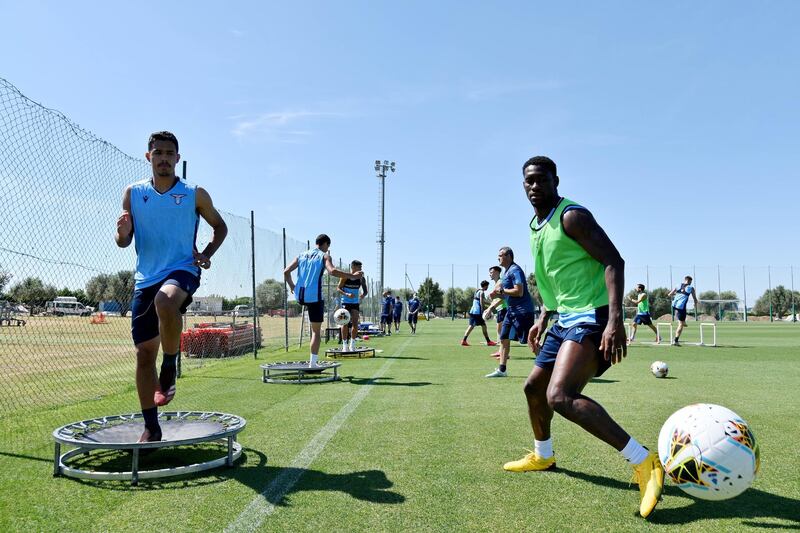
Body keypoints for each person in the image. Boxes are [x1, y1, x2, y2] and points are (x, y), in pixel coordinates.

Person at [503, 156, 664, 519]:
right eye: (528, 181)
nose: (534, 186)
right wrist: (544, 315)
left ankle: (645, 463)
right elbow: (554, 276)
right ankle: (543, 456)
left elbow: (613, 261)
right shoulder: (536, 225)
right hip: (564, 321)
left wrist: (615, 321)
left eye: (541, 180)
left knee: (560, 396)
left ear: (555, 180)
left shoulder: (571, 216)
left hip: (594, 319)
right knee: (533, 388)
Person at [115, 131, 228, 443]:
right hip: (145, 277)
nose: (163, 158)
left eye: (169, 153)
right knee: (142, 354)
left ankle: (170, 365)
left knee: (166, 302)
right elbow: (124, 241)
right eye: (158, 153)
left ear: (178, 158)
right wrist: (122, 235)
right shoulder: (133, 194)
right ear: (148, 156)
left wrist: (205, 254)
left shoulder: (195, 194)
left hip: (183, 268)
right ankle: (151, 426)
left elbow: (220, 226)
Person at [284, 235, 362, 365]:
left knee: (313, 327)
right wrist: (351, 276)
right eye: (328, 246)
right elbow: (332, 271)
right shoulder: (324, 256)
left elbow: (286, 271)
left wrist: (292, 287)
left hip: (300, 295)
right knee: (316, 332)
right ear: (326, 244)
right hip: (314, 297)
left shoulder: (301, 255)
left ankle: (318, 357)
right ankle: (312, 363)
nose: (328, 249)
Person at [485, 249, 534, 376]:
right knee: (504, 338)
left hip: (523, 311)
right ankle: (502, 370)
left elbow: (519, 291)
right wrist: (495, 295)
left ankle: (551, 367)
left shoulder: (515, 270)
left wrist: (501, 292)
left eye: (500, 256)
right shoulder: (506, 272)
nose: (498, 258)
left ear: (508, 256)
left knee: (531, 341)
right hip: (511, 311)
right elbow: (507, 295)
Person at [337, 260, 368, 351]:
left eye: (361, 268)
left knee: (355, 323)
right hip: (345, 302)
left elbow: (365, 291)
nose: (361, 269)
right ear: (353, 267)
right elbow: (338, 288)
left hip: (355, 303)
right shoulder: (345, 277)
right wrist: (347, 294)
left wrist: (363, 295)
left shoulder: (361, 278)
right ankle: (344, 345)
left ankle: (352, 344)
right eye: (359, 267)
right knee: (345, 323)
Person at [461, 281, 497, 347]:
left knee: (471, 326)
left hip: (473, 311)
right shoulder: (482, 292)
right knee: (484, 326)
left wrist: (490, 304)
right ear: (485, 286)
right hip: (478, 312)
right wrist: (483, 310)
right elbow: (481, 302)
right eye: (487, 286)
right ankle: (489, 342)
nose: (488, 287)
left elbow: (479, 301)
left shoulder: (477, 291)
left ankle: (464, 340)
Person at [483, 265, 508, 357]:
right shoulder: (497, 283)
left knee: (503, 331)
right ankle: (501, 351)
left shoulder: (500, 283)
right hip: (500, 309)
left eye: (491, 272)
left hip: (504, 308)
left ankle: (504, 353)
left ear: (497, 272)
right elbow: (496, 299)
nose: (490, 274)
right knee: (500, 331)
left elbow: (503, 297)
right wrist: (489, 307)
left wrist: (490, 308)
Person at [668, 276, 699, 346]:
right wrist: (695, 303)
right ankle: (675, 341)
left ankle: (683, 321)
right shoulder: (691, 288)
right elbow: (694, 298)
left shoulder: (678, 285)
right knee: (681, 324)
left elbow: (669, 294)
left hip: (674, 305)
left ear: (685, 280)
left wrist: (678, 294)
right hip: (681, 307)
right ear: (690, 281)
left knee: (681, 319)